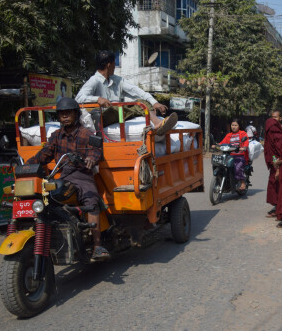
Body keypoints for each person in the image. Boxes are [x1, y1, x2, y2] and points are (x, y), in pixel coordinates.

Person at [26, 98, 110, 261]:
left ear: (76, 114)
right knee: (45, 199)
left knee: (91, 200)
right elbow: (44, 154)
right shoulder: (56, 136)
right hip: (63, 175)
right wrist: (26, 165)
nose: (65, 116)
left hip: (82, 174)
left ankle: (97, 246)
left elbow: (95, 149)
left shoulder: (86, 133)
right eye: (62, 114)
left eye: (68, 113)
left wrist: (91, 158)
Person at [75, 50, 176, 135]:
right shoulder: (94, 80)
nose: (115, 66)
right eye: (114, 63)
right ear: (109, 65)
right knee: (125, 106)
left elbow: (137, 91)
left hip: (117, 113)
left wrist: (154, 102)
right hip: (100, 118)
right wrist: (97, 99)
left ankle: (156, 123)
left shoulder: (117, 80)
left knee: (142, 102)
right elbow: (78, 98)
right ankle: (157, 123)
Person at [215, 119, 249, 191]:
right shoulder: (229, 135)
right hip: (230, 155)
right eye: (232, 125)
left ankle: (242, 182)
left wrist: (244, 147)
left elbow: (246, 142)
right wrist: (216, 145)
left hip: (240, 156)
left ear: (239, 126)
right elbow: (223, 142)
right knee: (221, 165)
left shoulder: (243, 133)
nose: (233, 127)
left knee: (237, 168)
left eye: (235, 125)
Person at [264, 110, 282, 217]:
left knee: (277, 183)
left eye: (275, 117)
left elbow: (279, 147)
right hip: (274, 159)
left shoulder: (279, 129)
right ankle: (277, 206)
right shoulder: (273, 127)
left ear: (280, 118)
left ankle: (280, 209)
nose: (273, 120)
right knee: (273, 183)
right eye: (272, 117)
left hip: (279, 160)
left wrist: (278, 163)